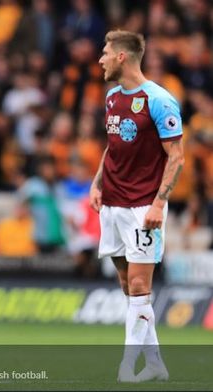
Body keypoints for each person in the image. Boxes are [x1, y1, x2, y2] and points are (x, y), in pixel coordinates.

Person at [91, 30, 184, 383]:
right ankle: (156, 363)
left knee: (141, 287)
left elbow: (177, 156)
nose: (99, 59)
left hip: (142, 206)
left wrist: (159, 203)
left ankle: (127, 369)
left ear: (121, 57)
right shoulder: (113, 97)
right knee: (130, 290)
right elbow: (113, 147)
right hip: (112, 205)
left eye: (104, 53)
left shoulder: (159, 100)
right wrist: (97, 182)